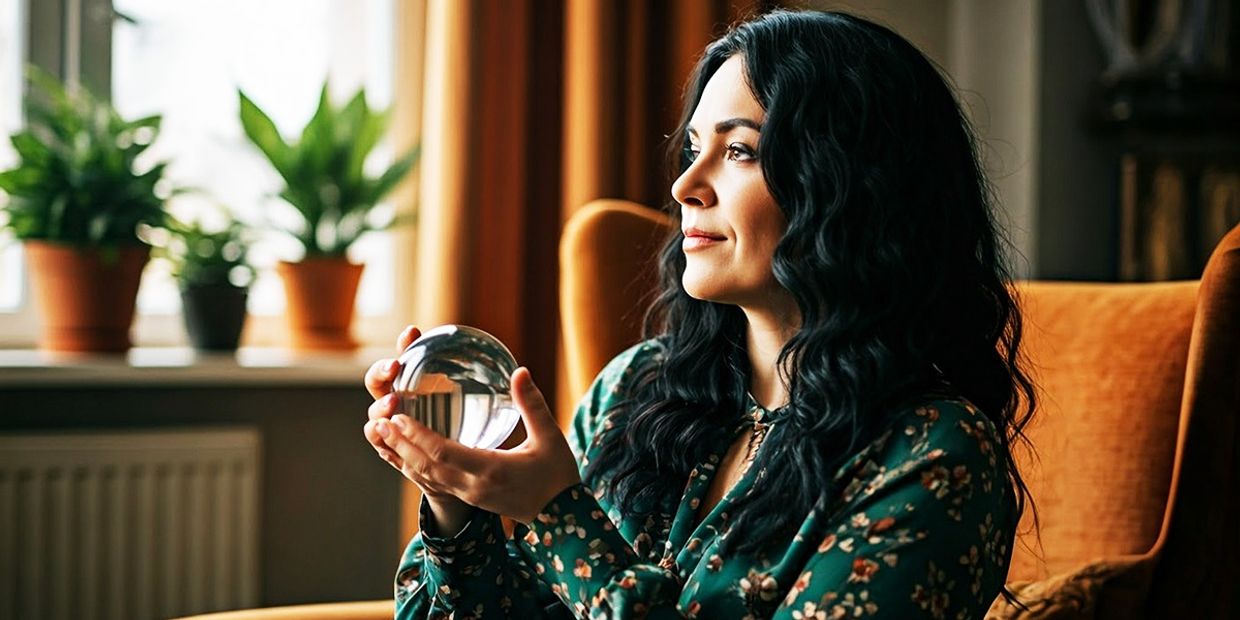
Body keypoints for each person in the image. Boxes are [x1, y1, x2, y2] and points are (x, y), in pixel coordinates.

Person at [363, 9, 1036, 619]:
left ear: (851, 187)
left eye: (738, 149)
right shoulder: (636, 389)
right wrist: (455, 503)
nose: (686, 185)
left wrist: (556, 515)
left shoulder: (932, 456)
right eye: (692, 149)